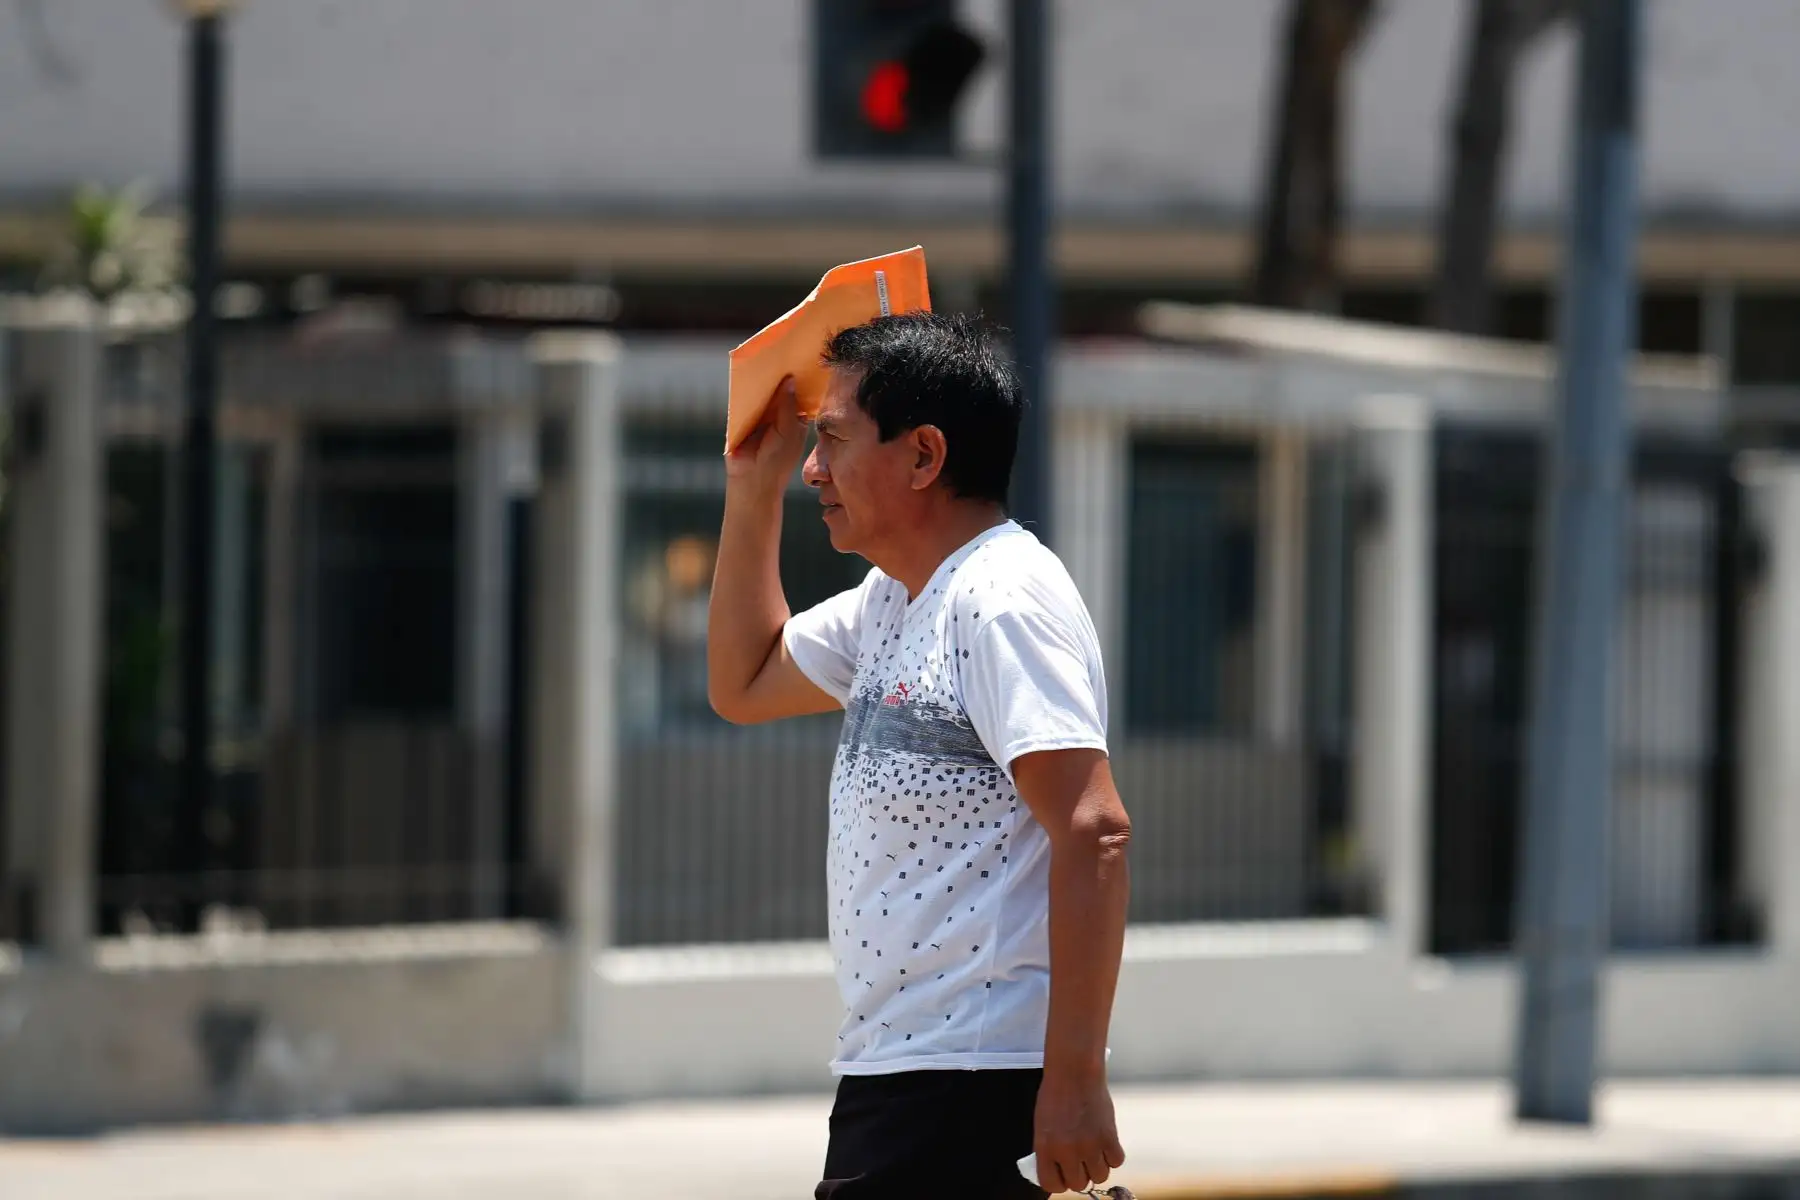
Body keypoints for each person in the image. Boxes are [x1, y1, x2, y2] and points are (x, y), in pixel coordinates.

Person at [707, 312, 1132, 1198]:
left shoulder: (1000, 600)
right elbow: (743, 681)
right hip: (902, 1078)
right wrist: (753, 491)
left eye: (831, 439)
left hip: (971, 1083)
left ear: (924, 455)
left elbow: (1092, 829)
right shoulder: (892, 600)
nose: (813, 468)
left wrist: (1075, 1083)